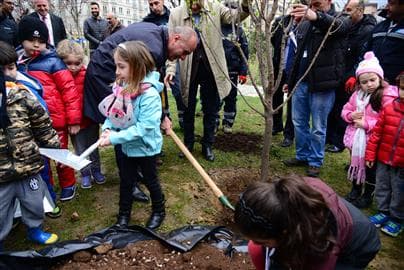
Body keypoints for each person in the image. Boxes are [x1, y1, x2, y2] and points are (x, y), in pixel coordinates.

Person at [84, 22, 197, 202]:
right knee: (123, 122)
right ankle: (129, 181)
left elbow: (153, 84)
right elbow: (149, 86)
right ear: (175, 38)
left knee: (129, 120)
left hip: (112, 71)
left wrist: (164, 114)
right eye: (185, 52)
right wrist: (162, 115)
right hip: (106, 74)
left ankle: (135, 173)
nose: (183, 58)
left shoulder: (156, 34)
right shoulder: (155, 49)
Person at [234, 175, 381, 270]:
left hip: (357, 247)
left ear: (284, 233)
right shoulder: (282, 198)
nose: (256, 242)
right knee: (255, 250)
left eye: (263, 241)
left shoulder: (317, 243)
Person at [166, 0, 250, 161]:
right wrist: (170, 69)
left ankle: (208, 145)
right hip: (187, 70)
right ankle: (188, 145)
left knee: (211, 110)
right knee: (187, 108)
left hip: (211, 70)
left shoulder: (215, 8)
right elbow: (171, 43)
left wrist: (246, 4)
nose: (195, 5)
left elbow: (235, 16)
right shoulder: (176, 14)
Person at [98, 41, 166, 230]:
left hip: (145, 148)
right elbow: (114, 114)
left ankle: (159, 210)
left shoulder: (150, 95)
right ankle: (123, 215)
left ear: (136, 66)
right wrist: (107, 128)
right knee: (126, 181)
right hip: (126, 147)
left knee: (151, 181)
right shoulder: (122, 87)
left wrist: (114, 139)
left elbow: (143, 129)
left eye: (121, 66)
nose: (117, 72)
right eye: (116, 66)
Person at [0, 44, 60, 250]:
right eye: (1, 71)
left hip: (28, 166)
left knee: (34, 202)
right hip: (1, 174)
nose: (7, 75)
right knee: (1, 210)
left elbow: (42, 124)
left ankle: (35, 229)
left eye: (11, 67)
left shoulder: (24, 95)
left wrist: (54, 145)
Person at [283, 0, 351, 177]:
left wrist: (316, 16)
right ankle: (302, 155)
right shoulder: (305, 23)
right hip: (301, 81)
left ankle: (315, 160)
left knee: (318, 126)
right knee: (298, 122)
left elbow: (336, 27)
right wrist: (291, 81)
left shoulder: (341, 18)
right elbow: (298, 54)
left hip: (323, 84)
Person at [17, 16, 81, 202]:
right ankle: (47, 188)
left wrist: (74, 120)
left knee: (60, 155)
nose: (36, 45)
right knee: (40, 160)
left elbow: (69, 92)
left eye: (41, 41)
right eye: (32, 41)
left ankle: (68, 184)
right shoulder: (16, 64)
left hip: (56, 121)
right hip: (31, 124)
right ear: (22, 40)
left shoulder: (54, 62)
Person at [341, 51, 398, 209]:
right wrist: (350, 115)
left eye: (372, 80)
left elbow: (385, 119)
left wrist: (367, 124)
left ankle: (367, 195)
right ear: (359, 83)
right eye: (364, 82)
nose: (369, 85)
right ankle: (355, 189)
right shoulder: (356, 96)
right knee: (356, 164)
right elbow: (345, 110)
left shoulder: (385, 97)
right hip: (356, 141)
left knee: (370, 169)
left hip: (373, 142)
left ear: (380, 78)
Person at [326, 0, 377, 153]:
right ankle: (331, 139)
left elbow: (362, 54)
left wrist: (355, 75)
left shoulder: (367, 30)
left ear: (360, 11)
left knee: (347, 108)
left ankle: (340, 142)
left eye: (350, 10)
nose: (346, 13)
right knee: (335, 109)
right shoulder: (348, 27)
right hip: (339, 73)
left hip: (352, 76)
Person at [56, 39, 105, 189]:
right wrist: (71, 121)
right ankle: (85, 173)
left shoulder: (87, 74)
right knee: (80, 149)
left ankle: (96, 170)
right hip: (74, 124)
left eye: (77, 63)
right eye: (68, 63)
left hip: (89, 119)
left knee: (94, 147)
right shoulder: (60, 76)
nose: (73, 67)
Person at [365, 72, 404, 238]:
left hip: (401, 164)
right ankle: (383, 211)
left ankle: (397, 218)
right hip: (383, 158)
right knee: (382, 185)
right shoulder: (388, 108)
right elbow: (376, 134)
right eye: (403, 88)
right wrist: (370, 155)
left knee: (399, 190)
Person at [143, 0, 185, 130]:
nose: (154, 7)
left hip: (172, 60)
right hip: (156, 62)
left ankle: (183, 118)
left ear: (162, 1)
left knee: (178, 90)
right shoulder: (147, 21)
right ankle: (164, 118)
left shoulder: (173, 16)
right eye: (151, 5)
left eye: (156, 3)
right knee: (160, 91)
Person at [217, 13, 249, 134]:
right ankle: (214, 121)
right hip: (217, 70)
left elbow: (244, 53)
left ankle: (228, 123)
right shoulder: (216, 28)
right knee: (215, 98)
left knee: (230, 98)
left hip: (232, 70)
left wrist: (243, 72)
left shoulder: (239, 31)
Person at [271, 12, 297, 147]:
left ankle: (289, 134)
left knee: (292, 101)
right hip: (279, 65)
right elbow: (273, 39)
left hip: (295, 68)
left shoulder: (306, 23)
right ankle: (276, 125)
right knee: (276, 96)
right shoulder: (281, 21)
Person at [365, 0, 404, 86]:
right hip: (373, 83)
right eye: (388, 3)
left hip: (396, 87)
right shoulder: (379, 26)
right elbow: (366, 52)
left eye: (392, 3)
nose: (387, 7)